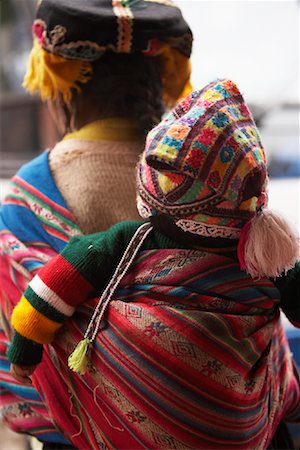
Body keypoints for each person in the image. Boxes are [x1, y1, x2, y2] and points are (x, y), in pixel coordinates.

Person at [8, 79, 300, 449]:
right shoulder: (264, 256)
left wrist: (26, 345)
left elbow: (53, 285)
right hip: (242, 426)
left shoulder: (127, 241)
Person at [0, 0, 193, 447]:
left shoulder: (31, 195)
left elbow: (20, 357)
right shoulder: (208, 175)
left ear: (62, 87)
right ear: (161, 79)